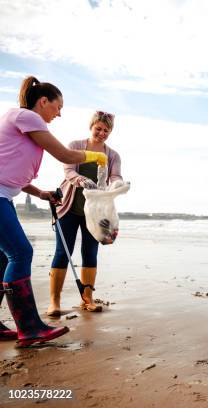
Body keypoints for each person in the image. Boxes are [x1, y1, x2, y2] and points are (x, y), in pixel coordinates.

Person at [0, 76, 107, 346]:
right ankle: (30, 327)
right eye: (57, 106)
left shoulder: (23, 123)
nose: (59, 113)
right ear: (43, 101)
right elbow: (65, 155)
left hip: (5, 195)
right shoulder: (27, 116)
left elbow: (14, 175)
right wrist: (97, 156)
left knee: (3, 258)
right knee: (21, 252)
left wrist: (41, 193)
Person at [46, 111, 122, 316]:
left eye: (106, 130)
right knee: (63, 252)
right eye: (98, 128)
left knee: (90, 253)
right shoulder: (75, 146)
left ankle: (86, 299)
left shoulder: (112, 155)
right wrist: (81, 180)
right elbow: (69, 171)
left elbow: (115, 176)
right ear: (91, 127)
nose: (102, 133)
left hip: (95, 213)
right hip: (69, 207)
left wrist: (117, 184)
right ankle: (54, 301)